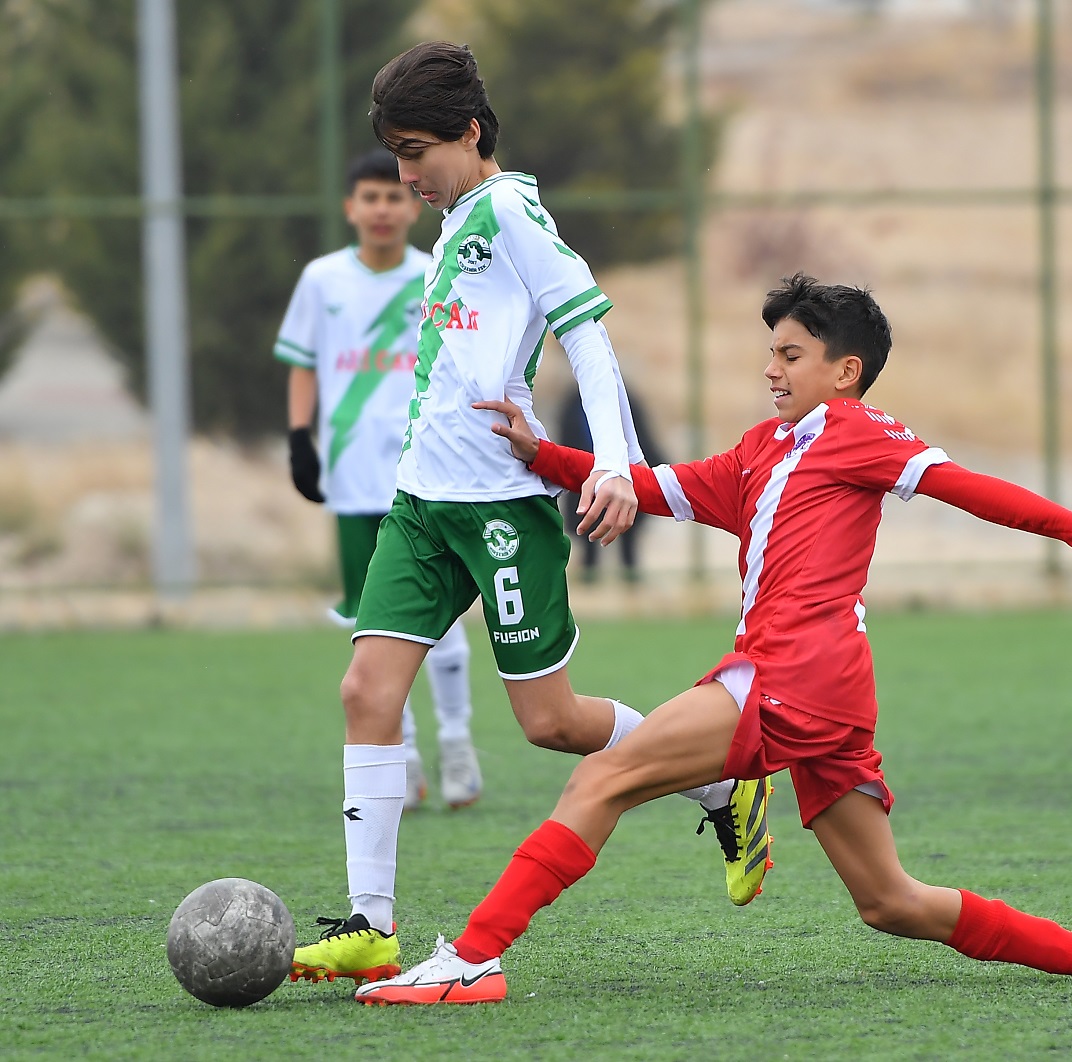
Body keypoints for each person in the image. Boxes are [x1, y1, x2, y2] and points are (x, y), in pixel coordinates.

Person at [352, 274, 1072, 1005]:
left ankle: (469, 962)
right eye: (769, 353)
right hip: (825, 690)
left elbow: (974, 490)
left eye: (790, 355)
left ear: (847, 371)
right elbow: (659, 487)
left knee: (603, 776)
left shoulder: (861, 435)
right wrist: (546, 455)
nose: (771, 369)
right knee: (890, 902)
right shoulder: (762, 452)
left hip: (790, 677)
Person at [289, 42, 768, 989]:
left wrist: (620, 467)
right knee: (364, 694)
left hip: (502, 507)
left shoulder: (509, 209)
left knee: (549, 723)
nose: (405, 173)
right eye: (394, 152)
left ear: (471, 133)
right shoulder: (460, 213)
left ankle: (722, 780)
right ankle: (370, 926)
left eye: (418, 149)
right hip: (424, 501)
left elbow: (587, 334)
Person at [277, 150, 482, 814]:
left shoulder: (436, 276)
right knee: (376, 627)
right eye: (369, 198)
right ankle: (408, 756)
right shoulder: (322, 280)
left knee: (441, 620)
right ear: (350, 208)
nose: (383, 209)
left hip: (428, 471)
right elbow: (304, 363)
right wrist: (299, 437)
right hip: (353, 478)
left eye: (392, 197)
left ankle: (457, 746)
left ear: (409, 203)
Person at [554, 386, 664, 583]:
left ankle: (631, 581)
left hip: (626, 479)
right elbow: (565, 441)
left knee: (629, 539)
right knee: (588, 538)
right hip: (585, 483)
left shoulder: (625, 400)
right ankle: (590, 583)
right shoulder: (573, 404)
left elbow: (641, 437)